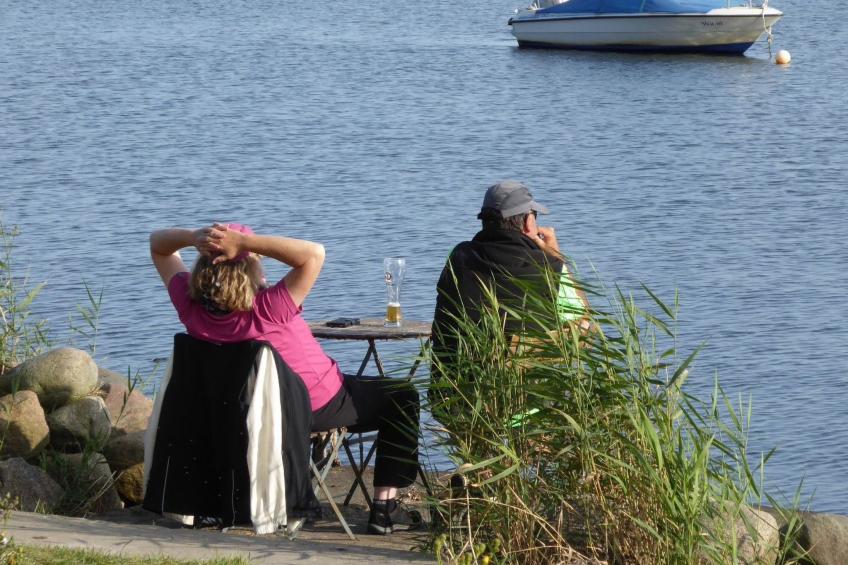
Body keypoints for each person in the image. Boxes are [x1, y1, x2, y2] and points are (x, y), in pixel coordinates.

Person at [149, 222, 421, 535]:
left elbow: (158, 245)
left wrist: (193, 237)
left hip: (240, 417)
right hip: (312, 405)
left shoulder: (190, 307)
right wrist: (246, 242)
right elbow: (314, 254)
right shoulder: (269, 308)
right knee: (402, 394)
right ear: (251, 265)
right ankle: (385, 511)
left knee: (369, 387)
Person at [430, 180, 591, 411]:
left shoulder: (458, 258)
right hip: (527, 404)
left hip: (457, 400)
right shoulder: (550, 267)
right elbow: (584, 330)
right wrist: (557, 258)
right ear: (527, 222)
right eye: (535, 215)